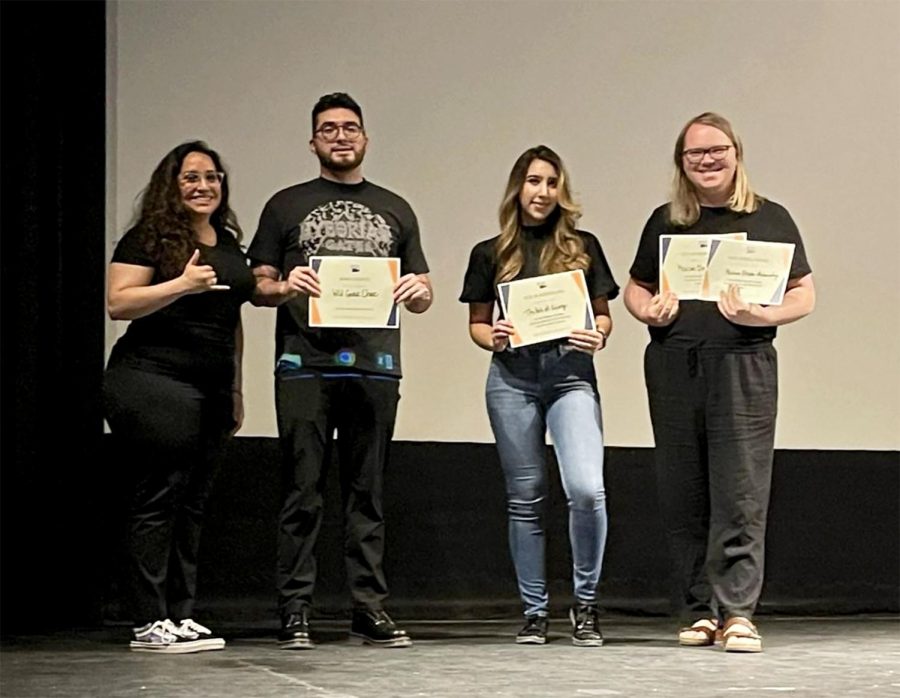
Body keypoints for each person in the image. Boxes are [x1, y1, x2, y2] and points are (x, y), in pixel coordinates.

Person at [624, 112, 815, 653]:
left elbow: (804, 294)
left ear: (736, 153)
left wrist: (763, 316)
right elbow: (636, 289)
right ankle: (696, 610)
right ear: (681, 163)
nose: (706, 161)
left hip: (743, 364)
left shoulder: (769, 217)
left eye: (717, 150)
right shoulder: (666, 221)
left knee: (741, 490)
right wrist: (650, 312)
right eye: (694, 154)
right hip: (674, 363)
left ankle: (737, 613)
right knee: (684, 490)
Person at [248, 92, 432, 650]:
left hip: (376, 366)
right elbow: (257, 285)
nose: (340, 137)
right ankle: (295, 609)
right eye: (328, 129)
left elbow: (423, 292)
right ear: (313, 142)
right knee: (302, 492)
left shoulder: (396, 207)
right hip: (305, 364)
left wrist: (418, 292)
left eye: (350, 128)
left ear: (365, 138)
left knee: (366, 494)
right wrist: (283, 287)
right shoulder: (285, 205)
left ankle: (368, 607)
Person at [460, 145, 618, 646]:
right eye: (533, 181)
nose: (542, 191)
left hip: (571, 375)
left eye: (551, 182)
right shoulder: (490, 253)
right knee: (525, 499)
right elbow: (477, 326)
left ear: (561, 190)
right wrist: (496, 336)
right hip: (512, 379)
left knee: (587, 490)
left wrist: (601, 334)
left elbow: (603, 316)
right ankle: (534, 611)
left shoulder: (583, 247)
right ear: (517, 188)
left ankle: (586, 606)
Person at [104, 140, 255, 653]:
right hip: (151, 380)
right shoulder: (147, 239)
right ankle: (149, 621)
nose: (202, 186)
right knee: (160, 495)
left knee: (193, 502)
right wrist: (182, 285)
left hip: (211, 387)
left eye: (211, 177)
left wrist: (235, 387)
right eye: (190, 177)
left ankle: (180, 613)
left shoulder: (229, 245)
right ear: (172, 186)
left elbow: (232, 319)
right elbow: (119, 303)